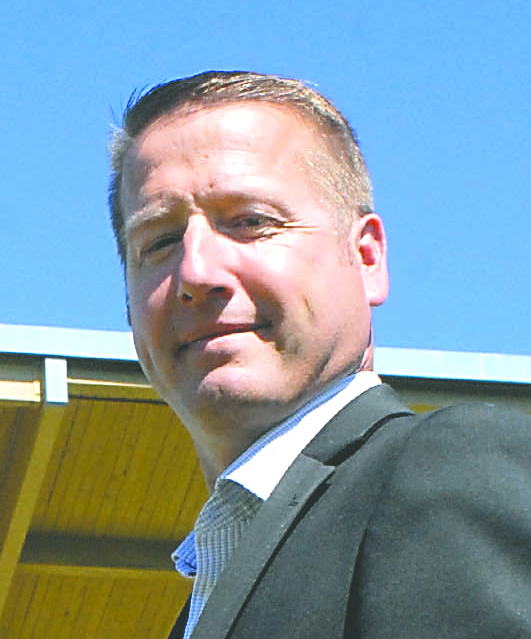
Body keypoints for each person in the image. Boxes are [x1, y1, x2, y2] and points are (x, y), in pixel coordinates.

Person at [108, 71, 531, 639]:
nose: (196, 273)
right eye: (159, 241)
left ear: (367, 258)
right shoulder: (208, 592)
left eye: (251, 222)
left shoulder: (445, 470)